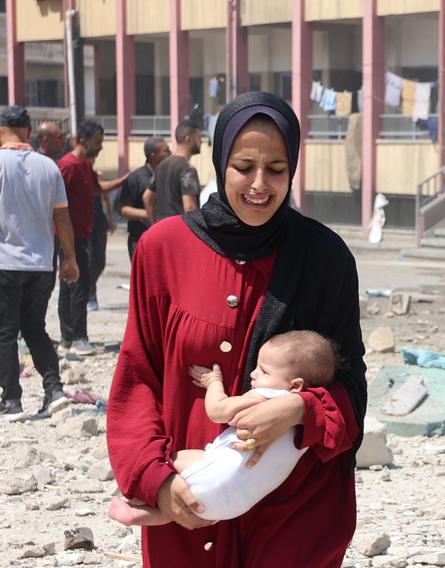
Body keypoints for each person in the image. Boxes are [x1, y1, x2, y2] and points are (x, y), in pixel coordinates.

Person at [107, 91, 367, 568]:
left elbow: (351, 384)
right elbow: (138, 376)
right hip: (190, 507)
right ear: (220, 161)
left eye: (276, 169)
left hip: (295, 514)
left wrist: (297, 408)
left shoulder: (324, 258)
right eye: (244, 166)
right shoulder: (163, 249)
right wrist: (157, 483)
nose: (259, 184)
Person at [109, 330, 339, 525]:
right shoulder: (305, 420)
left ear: (295, 385)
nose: (253, 374)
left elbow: (218, 410)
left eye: (264, 371)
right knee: (197, 505)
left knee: (181, 461)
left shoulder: (267, 398)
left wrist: (213, 383)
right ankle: (141, 514)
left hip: (214, 479)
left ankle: (139, 506)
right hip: (240, 503)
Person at [0, 105, 77, 422]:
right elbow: (63, 217)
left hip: (5, 262)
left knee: (5, 332)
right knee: (35, 328)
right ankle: (54, 390)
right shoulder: (49, 167)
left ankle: (12, 401)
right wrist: (69, 257)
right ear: (29, 133)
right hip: (42, 264)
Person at [56, 120, 104, 357]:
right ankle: (77, 337)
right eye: (97, 143)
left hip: (81, 234)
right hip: (68, 234)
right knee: (77, 285)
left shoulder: (85, 165)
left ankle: (67, 337)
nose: (100, 148)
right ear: (83, 142)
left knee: (71, 285)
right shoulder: (67, 166)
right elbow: (54, 203)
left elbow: (97, 190)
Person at [117, 137, 170, 260]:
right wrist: (150, 214)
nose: (170, 153)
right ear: (154, 156)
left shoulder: (167, 174)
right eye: (166, 151)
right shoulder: (135, 177)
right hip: (140, 238)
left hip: (164, 238)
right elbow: (123, 209)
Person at [87, 160, 129, 311]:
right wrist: (124, 179)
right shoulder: (82, 175)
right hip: (85, 221)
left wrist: (111, 220)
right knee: (89, 259)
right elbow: (101, 188)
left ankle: (90, 289)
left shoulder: (97, 175)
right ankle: (90, 294)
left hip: (98, 220)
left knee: (99, 261)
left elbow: (105, 197)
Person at [143, 119, 201, 223]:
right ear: (188, 138)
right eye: (198, 137)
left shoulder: (160, 166)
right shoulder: (187, 169)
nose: (200, 141)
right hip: (178, 233)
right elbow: (190, 207)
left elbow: (147, 197)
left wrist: (153, 225)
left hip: (161, 231)